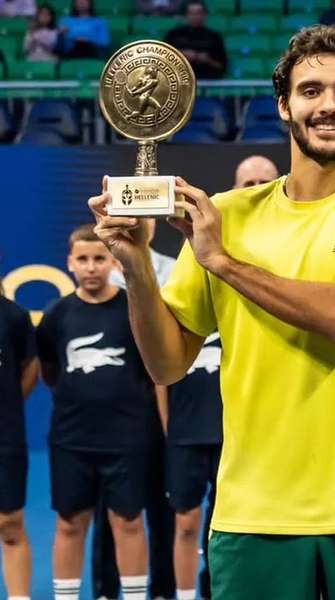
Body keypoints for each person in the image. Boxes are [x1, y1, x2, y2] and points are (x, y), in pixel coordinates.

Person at [89, 24, 335, 599]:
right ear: (283, 105)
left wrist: (222, 261)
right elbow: (166, 364)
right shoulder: (225, 213)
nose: (329, 105)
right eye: (311, 90)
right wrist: (138, 265)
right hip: (253, 515)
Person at [36, 224, 154, 600]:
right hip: (72, 439)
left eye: (99, 258)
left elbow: (151, 370)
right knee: (70, 523)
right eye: (83, 259)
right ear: (69, 263)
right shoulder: (56, 316)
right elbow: (51, 372)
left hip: (127, 439)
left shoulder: (134, 309)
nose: (91, 267)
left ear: (114, 261)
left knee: (129, 522)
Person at [94, 217, 176, 600]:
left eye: (144, 218)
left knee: (163, 501)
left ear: (153, 224)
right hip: (120, 407)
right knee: (110, 506)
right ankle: (106, 588)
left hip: (162, 397)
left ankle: (163, 588)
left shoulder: (176, 270)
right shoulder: (107, 274)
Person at [164, 330, 222, 600]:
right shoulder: (178, 320)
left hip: (230, 438)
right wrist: (169, 429)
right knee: (186, 523)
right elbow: (160, 378)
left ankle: (216, 592)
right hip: (184, 436)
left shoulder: (236, 316)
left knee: (223, 526)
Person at [0, 295, 39, 600]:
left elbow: (30, 370)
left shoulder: (14, 316)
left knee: (10, 523)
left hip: (6, 436)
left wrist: (8, 406)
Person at [163, 0, 227, 80]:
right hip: (180, 81)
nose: (195, 16)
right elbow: (162, 62)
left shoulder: (214, 37)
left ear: (205, 15)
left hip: (208, 80)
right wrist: (181, 55)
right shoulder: (173, 35)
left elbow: (222, 66)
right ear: (186, 15)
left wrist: (207, 60)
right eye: (191, 13)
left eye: (198, 13)